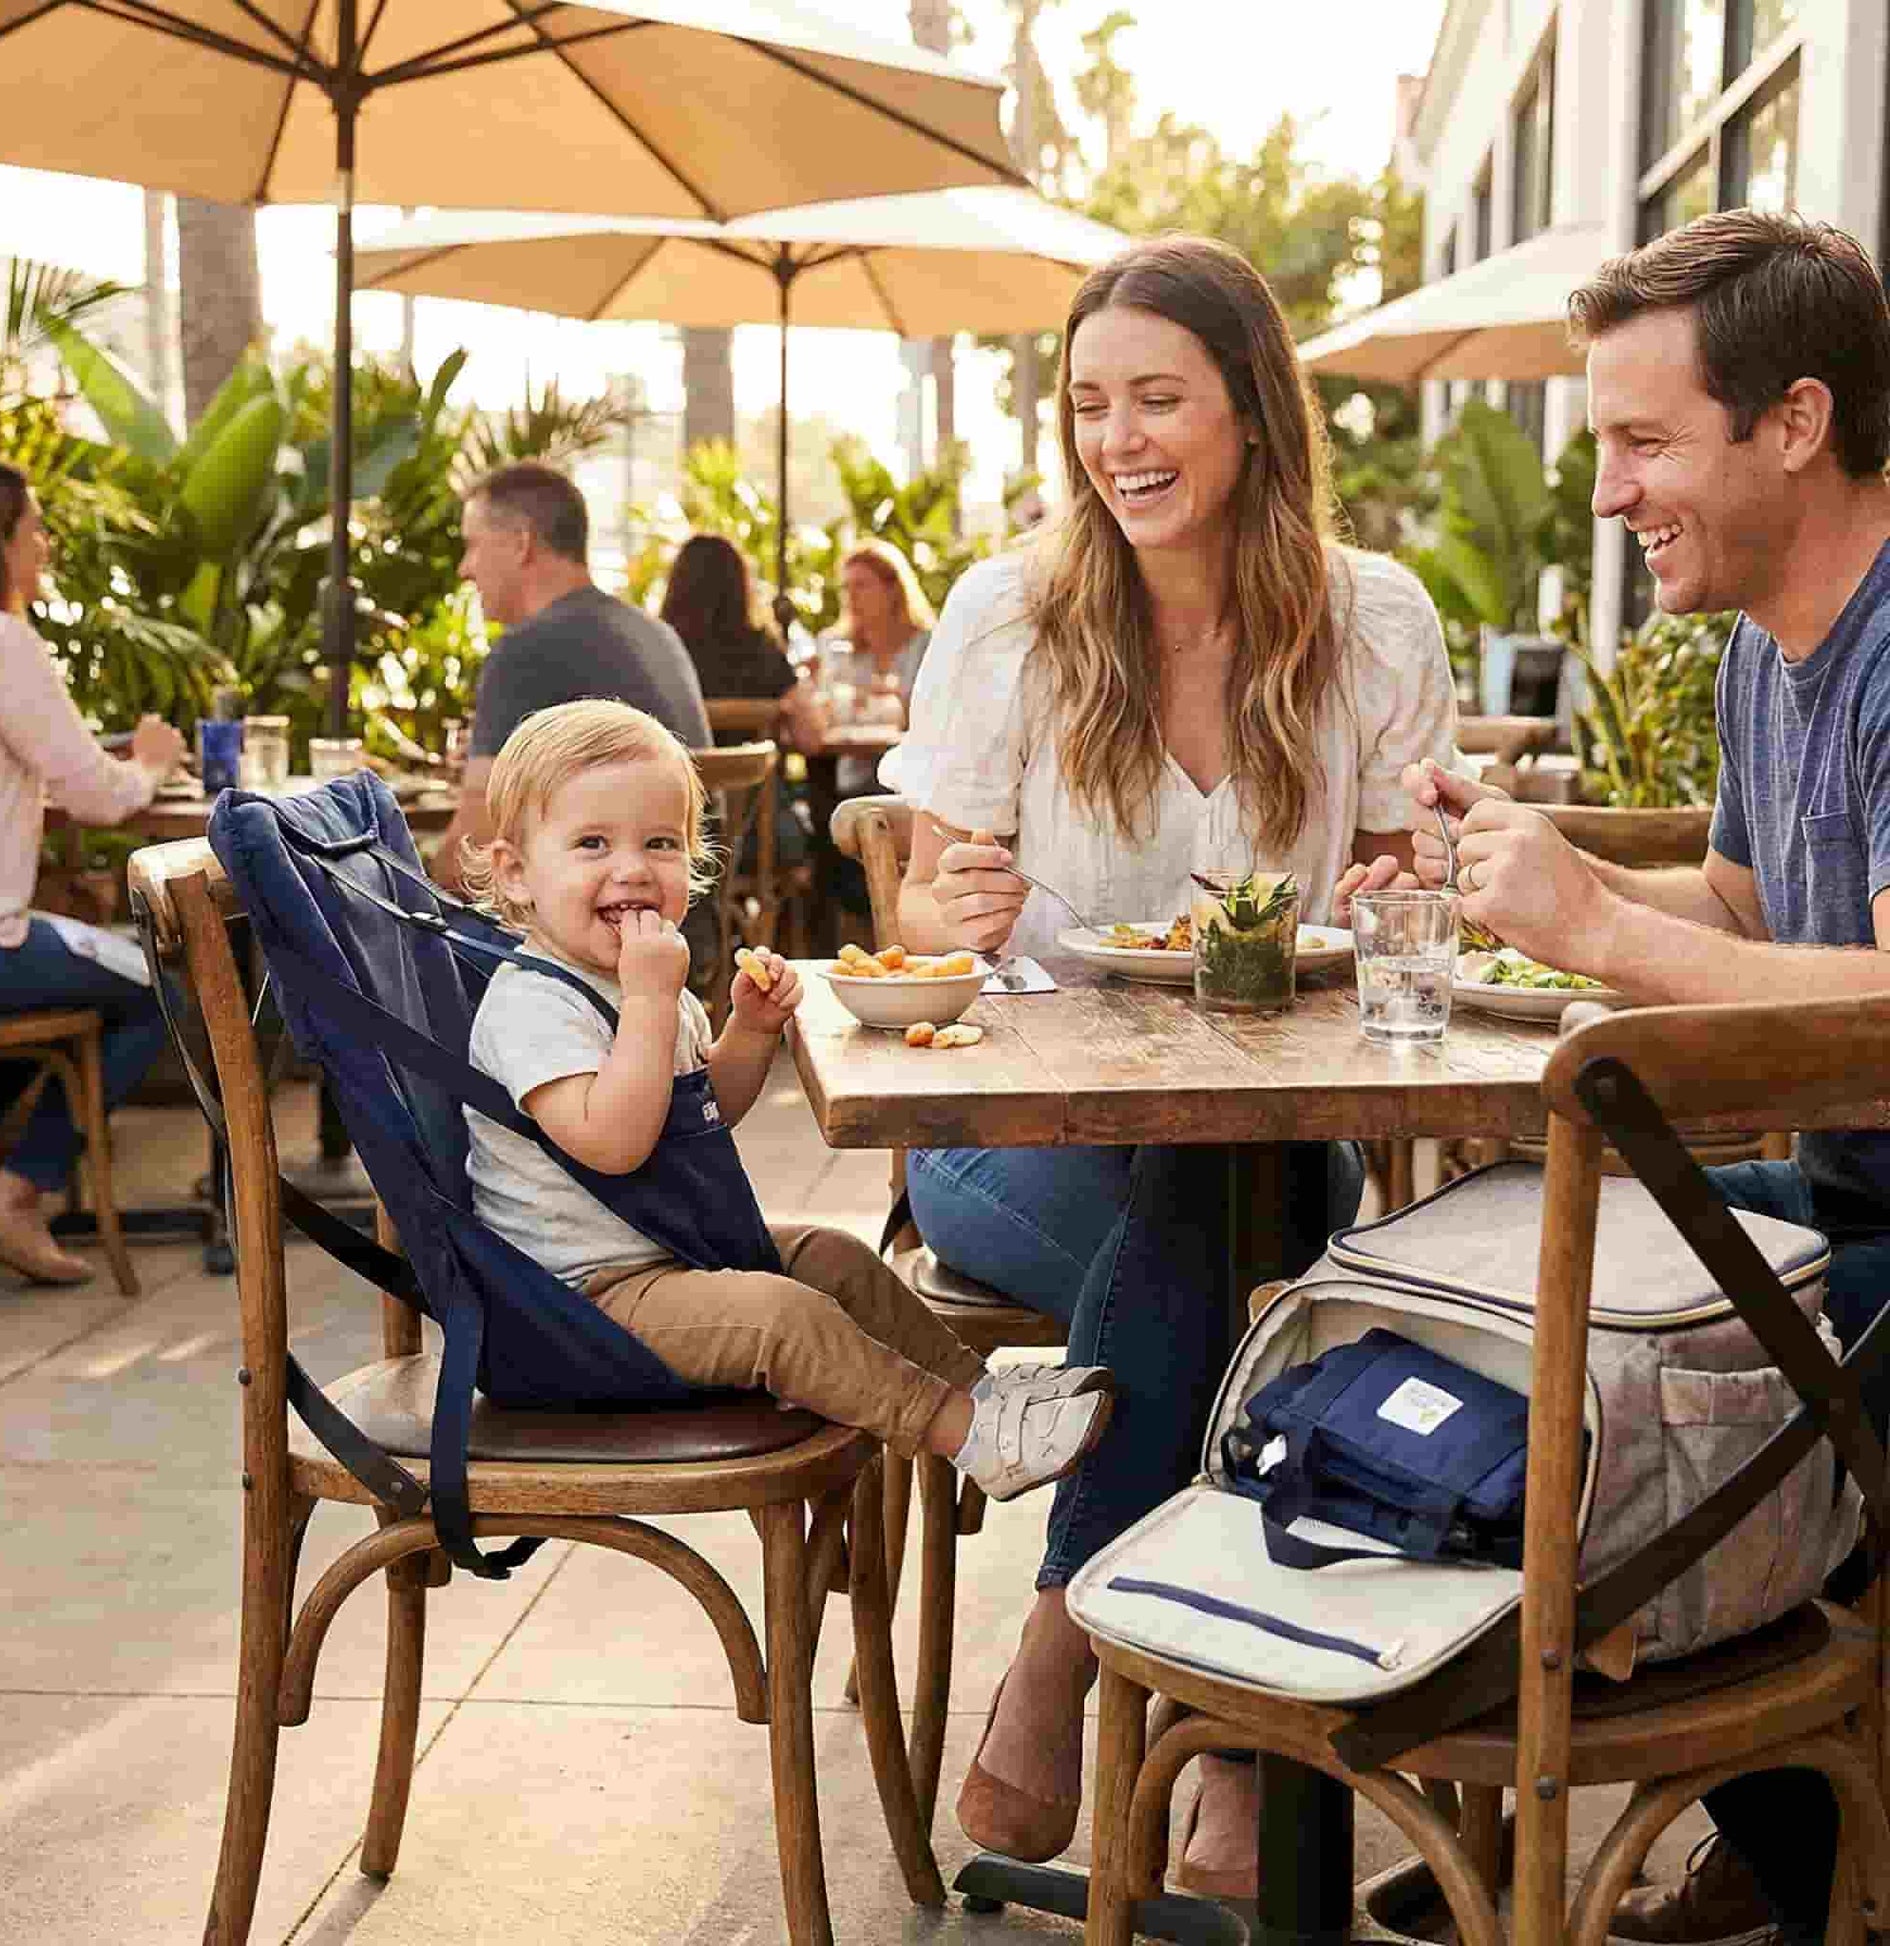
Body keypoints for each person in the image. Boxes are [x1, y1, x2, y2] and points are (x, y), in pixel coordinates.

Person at [882, 235, 1459, 1889]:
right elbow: (928, 911)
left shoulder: (1369, 621)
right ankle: (1221, 1731)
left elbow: (1410, 888)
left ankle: (1068, 1642)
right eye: (1087, 406)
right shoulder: (1012, 613)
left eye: (1156, 400)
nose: (1116, 442)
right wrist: (951, 893)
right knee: (1273, 1272)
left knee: (1235, 1184)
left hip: (1270, 1129)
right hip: (1018, 1131)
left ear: (1254, 415)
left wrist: (1400, 888)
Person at [1370, 210, 1890, 1946]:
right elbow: (1744, 907)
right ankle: (1775, 1814)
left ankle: (1803, 1824)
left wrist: (1591, 920)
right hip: (1840, 1194)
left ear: (1795, 424)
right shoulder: (1769, 644)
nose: (1607, 493)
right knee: (1447, 1273)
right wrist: (1543, 868)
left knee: (1582, 1370)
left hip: (1883, 1230)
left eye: (1643, 441)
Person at [458, 696, 1115, 1504]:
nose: (632, 869)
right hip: (578, 1310)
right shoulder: (535, 1004)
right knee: (779, 1314)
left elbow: (698, 1117)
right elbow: (613, 1143)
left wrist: (747, 1031)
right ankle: (963, 1434)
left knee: (829, 1256)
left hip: (667, 1259)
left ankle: (982, 1391)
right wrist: (651, 1003)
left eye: (659, 843)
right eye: (592, 844)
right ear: (518, 872)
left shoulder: (638, 985)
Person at [0, 458, 185, 1283]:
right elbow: (100, 801)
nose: (44, 545)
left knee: (53, 995)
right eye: (33, 528)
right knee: (167, 988)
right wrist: (150, 761)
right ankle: (12, 1198)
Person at [432, 463, 710, 891]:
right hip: (684, 910)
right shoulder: (657, 633)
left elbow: (473, 851)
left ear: (521, 543)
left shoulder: (525, 650)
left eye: (472, 546)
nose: (464, 568)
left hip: (595, 928)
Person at [658, 531, 827, 752]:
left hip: (674, 782)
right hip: (745, 782)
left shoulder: (658, 647)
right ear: (741, 586)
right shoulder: (761, 651)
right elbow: (810, 738)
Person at [829, 539, 932, 795]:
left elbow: (932, 713)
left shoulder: (926, 644)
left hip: (911, 779)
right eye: (846, 587)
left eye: (862, 586)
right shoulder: (842, 649)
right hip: (854, 779)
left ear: (893, 590)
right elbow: (831, 714)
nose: (851, 597)